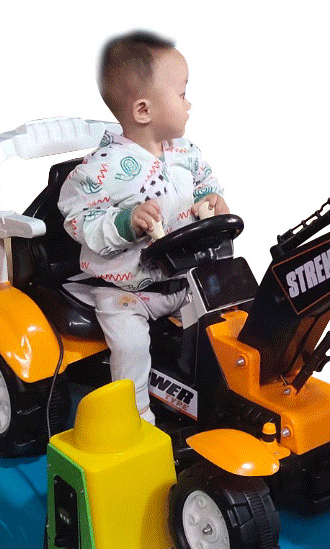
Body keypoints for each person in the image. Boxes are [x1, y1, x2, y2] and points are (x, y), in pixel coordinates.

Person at [58, 31, 229, 423]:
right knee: (131, 346)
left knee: (224, 321)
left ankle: (213, 396)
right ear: (143, 110)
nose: (189, 104)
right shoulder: (103, 168)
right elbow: (78, 219)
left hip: (184, 280)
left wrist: (212, 200)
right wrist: (125, 222)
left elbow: (206, 183)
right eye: (182, 94)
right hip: (125, 291)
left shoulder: (185, 153)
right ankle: (135, 417)